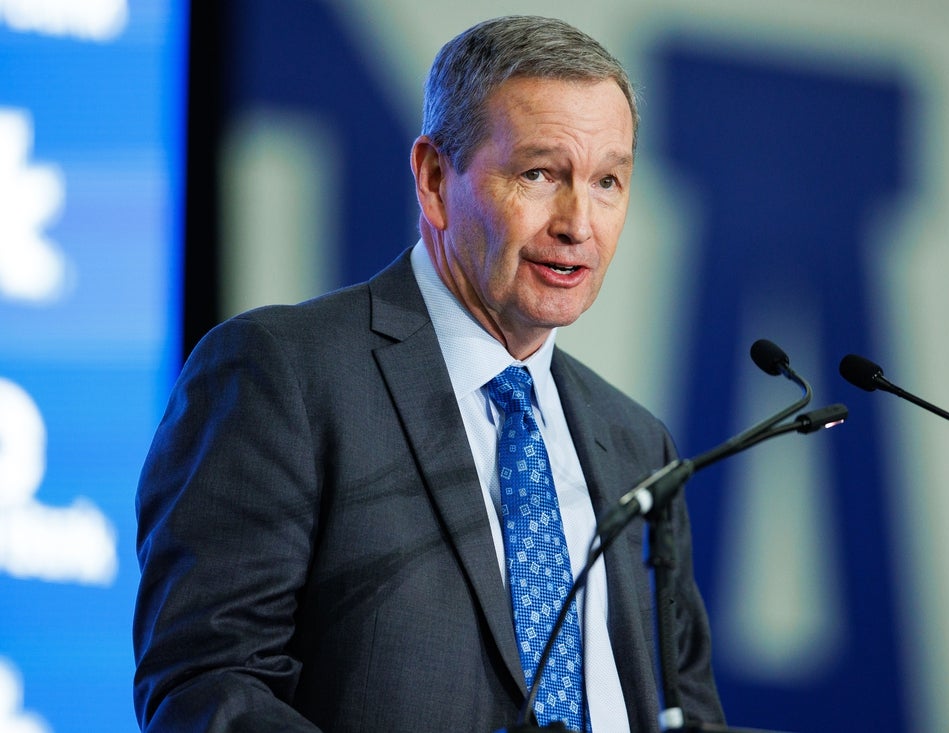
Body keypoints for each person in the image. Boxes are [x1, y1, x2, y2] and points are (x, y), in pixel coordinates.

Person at [133, 15, 725, 733]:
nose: (578, 222)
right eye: (539, 174)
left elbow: (686, 708)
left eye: (607, 181)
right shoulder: (282, 373)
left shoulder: (637, 444)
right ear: (435, 179)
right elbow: (208, 685)